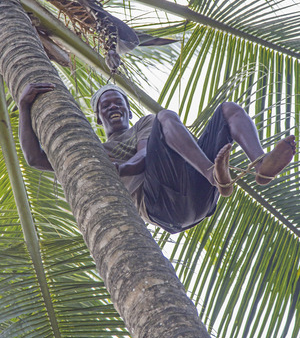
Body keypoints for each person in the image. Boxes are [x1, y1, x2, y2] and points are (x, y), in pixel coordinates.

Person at [19, 82, 296, 234]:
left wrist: (121, 168)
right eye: (106, 105)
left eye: (119, 103)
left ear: (128, 111)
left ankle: (260, 165)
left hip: (199, 191)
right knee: (165, 118)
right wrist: (23, 107)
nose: (113, 106)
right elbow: (34, 158)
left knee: (227, 109)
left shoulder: (143, 126)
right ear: (98, 116)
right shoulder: (91, 149)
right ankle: (213, 172)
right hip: (160, 205)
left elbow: (144, 154)